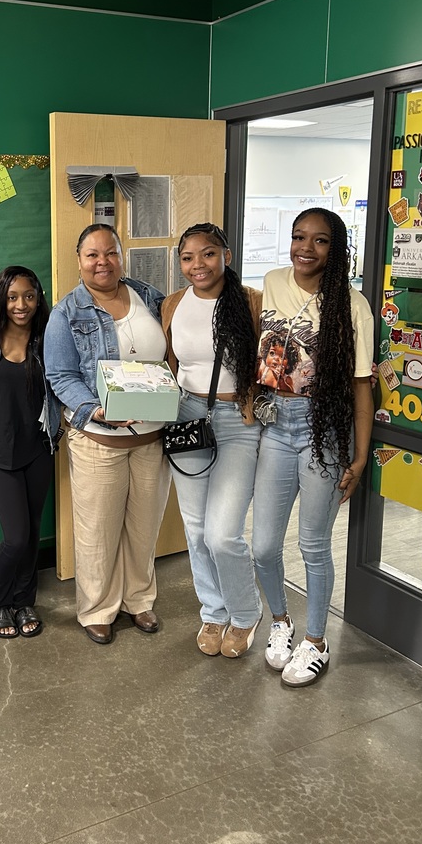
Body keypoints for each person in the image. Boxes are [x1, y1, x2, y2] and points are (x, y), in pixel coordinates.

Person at [252, 208, 374, 688]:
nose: (305, 248)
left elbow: (362, 388)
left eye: (319, 241)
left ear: (335, 249)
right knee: (262, 546)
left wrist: (360, 458)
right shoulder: (274, 281)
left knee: (313, 546)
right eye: (299, 237)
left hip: (324, 431)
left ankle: (317, 641)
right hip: (274, 425)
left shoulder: (353, 305)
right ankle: (280, 622)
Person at [44, 223, 170, 645]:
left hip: (152, 439)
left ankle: (139, 601)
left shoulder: (149, 296)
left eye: (110, 253)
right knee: (98, 531)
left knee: (143, 528)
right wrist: (96, 410)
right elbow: (60, 376)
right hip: (99, 440)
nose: (103, 262)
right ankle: (97, 608)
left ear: (121, 255)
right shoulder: (66, 313)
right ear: (79, 260)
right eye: (92, 255)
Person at [161, 223, 263, 659]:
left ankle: (245, 613)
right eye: (187, 257)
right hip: (187, 416)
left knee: (223, 533)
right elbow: (170, 363)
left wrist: (253, 398)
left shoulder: (252, 302)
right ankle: (214, 610)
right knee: (197, 528)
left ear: (227, 255)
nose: (197, 265)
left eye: (207, 254)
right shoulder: (172, 305)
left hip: (238, 419)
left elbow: (271, 360)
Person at [0, 266, 62, 639]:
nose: (21, 304)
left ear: (38, 298)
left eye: (28, 295)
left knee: (33, 530)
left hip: (39, 449)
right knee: (16, 537)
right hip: (1, 454)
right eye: (12, 297)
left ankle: (24, 601)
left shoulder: (47, 341)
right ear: (1, 301)